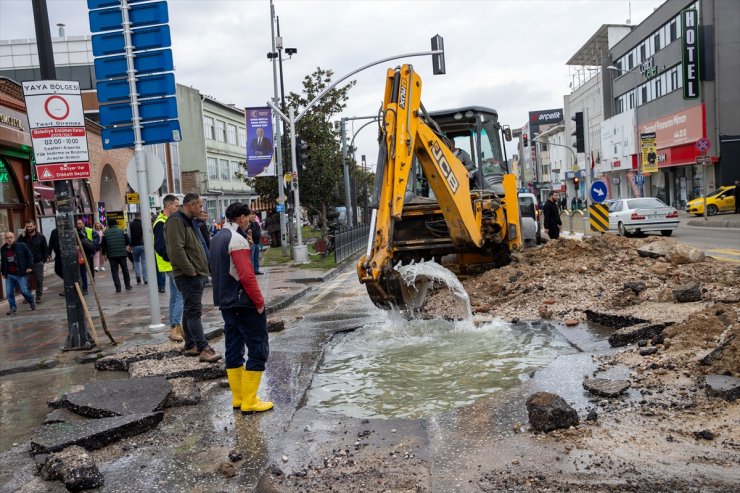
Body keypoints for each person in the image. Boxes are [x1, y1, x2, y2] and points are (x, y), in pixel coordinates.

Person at [210, 202, 272, 413]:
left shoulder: (218, 237)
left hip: (226, 302)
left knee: (234, 349)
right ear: (241, 218)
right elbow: (246, 274)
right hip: (243, 302)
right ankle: (251, 401)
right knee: (258, 348)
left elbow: (227, 269)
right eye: (248, 218)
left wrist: (251, 246)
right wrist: (259, 301)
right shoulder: (237, 240)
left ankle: (238, 399)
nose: (250, 221)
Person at [165, 192, 222, 363]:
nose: (201, 208)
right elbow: (176, 250)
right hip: (188, 275)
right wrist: (191, 270)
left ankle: (191, 345)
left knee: (190, 310)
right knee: (194, 312)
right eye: (199, 205)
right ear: (190, 204)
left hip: (196, 274)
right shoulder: (176, 221)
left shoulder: (190, 221)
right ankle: (204, 348)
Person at [154, 195, 184, 342]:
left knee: (174, 296)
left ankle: (175, 326)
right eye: (176, 206)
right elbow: (160, 246)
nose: (178, 208)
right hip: (170, 263)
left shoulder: (166, 220)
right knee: (180, 295)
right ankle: (175, 326)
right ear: (168, 206)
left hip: (169, 263)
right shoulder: (161, 223)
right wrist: (173, 258)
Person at [1, 231, 36, 315]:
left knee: (24, 291)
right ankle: (13, 307)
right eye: (7, 238)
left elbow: (30, 256)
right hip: (9, 274)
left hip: (20, 273)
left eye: (11, 237)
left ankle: (31, 300)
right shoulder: (3, 248)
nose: (9, 239)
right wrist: (3, 272)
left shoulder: (21, 246)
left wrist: (29, 267)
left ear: (14, 237)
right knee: (9, 292)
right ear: (5, 239)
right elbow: (3, 261)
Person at [19, 220, 48, 302]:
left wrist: (43, 260)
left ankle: (38, 296)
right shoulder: (23, 237)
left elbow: (45, 249)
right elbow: (17, 246)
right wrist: (22, 236)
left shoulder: (41, 237)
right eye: (27, 227)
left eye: (30, 226)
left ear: (34, 226)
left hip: (38, 262)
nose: (29, 228)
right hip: (26, 263)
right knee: (24, 280)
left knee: (39, 280)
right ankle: (28, 297)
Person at [102, 218, 132, 293]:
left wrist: (104, 254)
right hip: (122, 253)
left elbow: (103, 245)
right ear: (116, 223)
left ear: (108, 225)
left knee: (114, 271)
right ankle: (127, 285)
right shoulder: (122, 231)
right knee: (125, 269)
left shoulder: (105, 233)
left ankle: (118, 288)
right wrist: (126, 246)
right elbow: (128, 241)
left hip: (111, 255)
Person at [75, 218, 98, 294]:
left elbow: (96, 238)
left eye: (80, 223)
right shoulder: (75, 232)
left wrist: (91, 243)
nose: (78, 225)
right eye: (77, 224)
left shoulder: (89, 230)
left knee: (87, 270)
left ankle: (89, 283)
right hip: (78, 255)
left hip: (87, 253)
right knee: (81, 272)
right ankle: (82, 288)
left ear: (83, 224)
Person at [129, 213, 147, 285]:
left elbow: (129, 235)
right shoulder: (143, 224)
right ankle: (145, 279)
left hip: (134, 246)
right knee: (144, 262)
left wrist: (130, 244)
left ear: (135, 217)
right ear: (141, 217)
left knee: (136, 262)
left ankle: (138, 277)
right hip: (143, 245)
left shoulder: (130, 224)